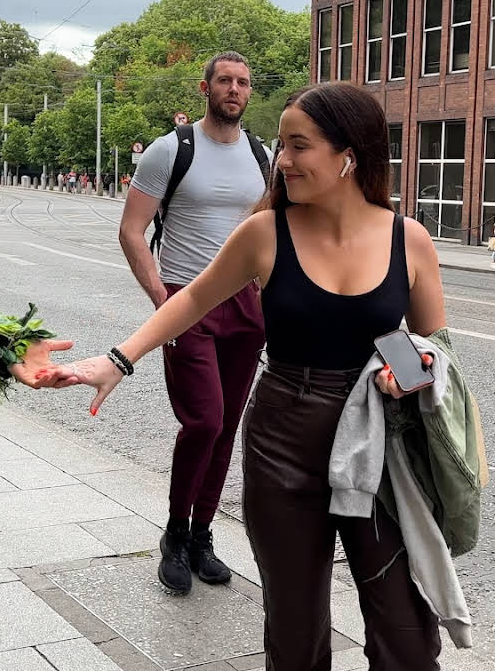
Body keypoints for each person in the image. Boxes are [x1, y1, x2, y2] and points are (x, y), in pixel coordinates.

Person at [44, 82, 448, 669]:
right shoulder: (265, 233)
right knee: (295, 625)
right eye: (281, 145)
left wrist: (404, 371)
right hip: (284, 435)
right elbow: (193, 300)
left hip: (382, 441)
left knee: (406, 631)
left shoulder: (407, 239)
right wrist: (117, 360)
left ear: (349, 156)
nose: (281, 160)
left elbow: (430, 346)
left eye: (298, 146)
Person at [116, 51, 271, 595]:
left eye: (243, 82)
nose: (234, 88)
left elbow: (269, 231)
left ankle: (203, 534)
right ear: (205, 88)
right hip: (188, 300)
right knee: (203, 422)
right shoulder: (170, 150)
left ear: (250, 93)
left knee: (227, 426)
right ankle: (175, 534)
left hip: (246, 306)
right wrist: (164, 301)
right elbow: (132, 230)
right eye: (224, 80)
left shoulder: (261, 154)